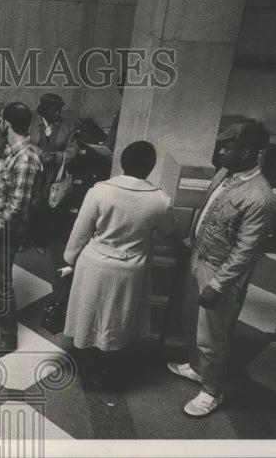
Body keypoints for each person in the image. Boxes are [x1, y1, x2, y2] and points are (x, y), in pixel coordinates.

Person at [166, 121, 276, 418]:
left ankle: (211, 392)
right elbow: (208, 211)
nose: (221, 150)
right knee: (191, 320)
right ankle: (197, 368)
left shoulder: (260, 196)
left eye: (228, 146)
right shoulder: (225, 174)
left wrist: (218, 285)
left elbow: (245, 251)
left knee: (212, 336)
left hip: (220, 272)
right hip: (199, 257)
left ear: (247, 152)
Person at [60, 141, 173, 389]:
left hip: (96, 263)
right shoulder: (160, 199)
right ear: (151, 167)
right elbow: (169, 230)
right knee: (119, 315)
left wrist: (69, 260)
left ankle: (88, 364)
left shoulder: (99, 191)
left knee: (90, 311)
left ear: (122, 162)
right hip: (132, 268)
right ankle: (111, 362)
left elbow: (80, 232)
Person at [0, 102, 44, 359]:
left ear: (7, 123)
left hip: (5, 232)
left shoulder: (26, 158)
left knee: (2, 284)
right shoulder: (11, 149)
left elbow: (19, 204)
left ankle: (7, 338)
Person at [28, 93, 79, 250]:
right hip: (32, 170)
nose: (58, 114)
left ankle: (40, 242)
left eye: (59, 110)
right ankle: (24, 239)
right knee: (28, 203)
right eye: (54, 110)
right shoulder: (30, 122)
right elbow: (24, 142)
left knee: (47, 206)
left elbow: (73, 149)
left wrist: (56, 156)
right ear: (43, 110)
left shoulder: (67, 126)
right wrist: (40, 153)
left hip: (53, 174)